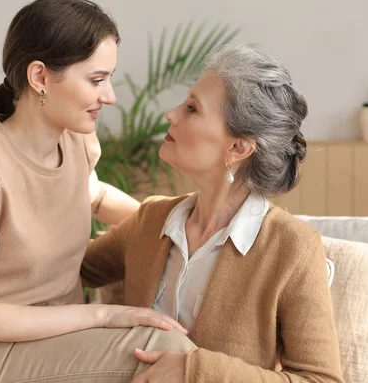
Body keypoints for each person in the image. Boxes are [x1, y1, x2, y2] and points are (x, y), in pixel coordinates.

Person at [0, 0, 195, 383]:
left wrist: (183, 223)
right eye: (97, 80)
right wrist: (103, 315)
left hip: (57, 335)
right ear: (39, 77)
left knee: (172, 347)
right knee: (166, 352)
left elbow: (93, 194)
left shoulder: (76, 140)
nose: (110, 96)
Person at [82, 45, 345, 382]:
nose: (171, 115)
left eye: (192, 108)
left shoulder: (293, 249)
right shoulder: (150, 221)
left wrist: (194, 371)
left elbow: (322, 380)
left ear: (238, 147)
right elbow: (67, 272)